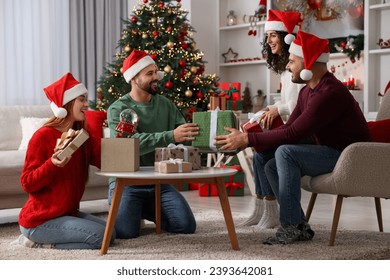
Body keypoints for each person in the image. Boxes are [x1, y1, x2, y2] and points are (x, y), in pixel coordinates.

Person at [215, 30, 370, 245]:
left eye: (292, 62)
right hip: (328, 149)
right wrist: (248, 139)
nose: (288, 67)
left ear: (309, 64)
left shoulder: (328, 93)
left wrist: (248, 140)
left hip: (349, 156)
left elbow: (292, 134)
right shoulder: (308, 91)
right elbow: (290, 127)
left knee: (286, 153)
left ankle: (291, 226)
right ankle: (299, 225)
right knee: (271, 165)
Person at [107, 50, 198, 239]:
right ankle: (138, 209)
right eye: (149, 73)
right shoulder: (118, 109)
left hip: (158, 182)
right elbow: (130, 144)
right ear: (134, 78)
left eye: (156, 72)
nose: (156, 77)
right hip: (127, 183)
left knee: (185, 225)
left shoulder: (165, 105)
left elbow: (185, 135)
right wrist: (170, 135)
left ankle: (145, 209)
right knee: (125, 232)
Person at [18, 72, 114, 249]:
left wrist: (121, 137)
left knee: (111, 234)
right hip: (40, 220)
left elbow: (105, 160)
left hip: (66, 213)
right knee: (101, 238)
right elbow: (27, 183)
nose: (87, 104)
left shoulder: (81, 136)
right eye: (81, 100)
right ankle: (38, 242)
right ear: (67, 104)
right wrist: (52, 164)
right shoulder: (42, 136)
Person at [240, 10, 304, 229]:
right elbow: (288, 103)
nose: (268, 41)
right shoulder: (287, 69)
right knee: (259, 154)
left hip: (302, 133)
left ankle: (269, 211)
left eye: (273, 36)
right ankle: (261, 210)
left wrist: (277, 110)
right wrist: (273, 108)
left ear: (286, 38)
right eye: (267, 37)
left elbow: (297, 107)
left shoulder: (297, 69)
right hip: (293, 128)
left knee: (261, 154)